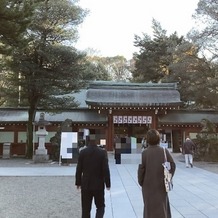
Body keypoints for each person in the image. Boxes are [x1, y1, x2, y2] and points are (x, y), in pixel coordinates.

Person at [138, 129, 176, 218]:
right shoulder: (164, 151)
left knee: (149, 208)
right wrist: (168, 177)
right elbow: (172, 165)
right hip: (161, 184)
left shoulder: (144, 153)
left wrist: (141, 181)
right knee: (162, 206)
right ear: (158, 139)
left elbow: (141, 170)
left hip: (148, 186)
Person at [75, 136, 111, 218]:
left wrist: (78, 182)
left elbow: (79, 169)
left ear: (87, 141)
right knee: (100, 206)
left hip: (86, 184)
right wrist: (108, 184)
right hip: (98, 184)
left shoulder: (83, 152)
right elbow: (106, 169)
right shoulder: (102, 152)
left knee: (86, 209)